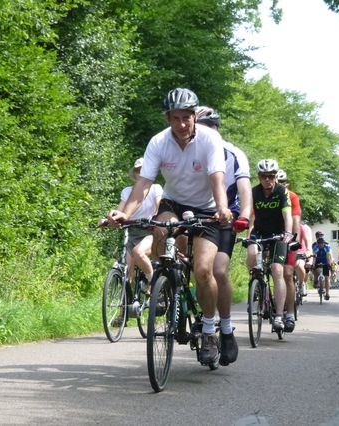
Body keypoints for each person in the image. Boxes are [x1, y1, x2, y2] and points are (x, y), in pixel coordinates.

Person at [107, 88, 232, 365]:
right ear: (168, 118)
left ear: (195, 116)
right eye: (175, 118)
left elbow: (217, 179)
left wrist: (223, 208)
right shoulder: (158, 143)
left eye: (187, 117)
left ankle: (210, 331)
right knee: (160, 230)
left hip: (207, 208)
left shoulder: (210, 138)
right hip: (173, 203)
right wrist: (123, 214)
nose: (182, 124)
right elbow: (142, 186)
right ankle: (167, 285)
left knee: (202, 270)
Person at [196, 106, 252, 366]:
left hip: (224, 217)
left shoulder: (234, 154)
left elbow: (244, 188)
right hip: (194, 214)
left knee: (218, 270)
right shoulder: (191, 151)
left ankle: (226, 330)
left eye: (210, 127)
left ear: (217, 128)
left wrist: (244, 214)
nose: (205, 133)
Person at [246, 159, 294, 332]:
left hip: (279, 233)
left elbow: (288, 215)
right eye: (264, 176)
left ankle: (280, 316)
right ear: (259, 177)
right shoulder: (254, 192)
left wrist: (288, 233)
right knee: (251, 253)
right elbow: (250, 216)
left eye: (271, 176)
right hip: (259, 231)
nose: (268, 179)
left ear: (275, 176)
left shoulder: (282, 191)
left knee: (277, 270)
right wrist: (247, 232)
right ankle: (256, 282)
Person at [99, 158, 162, 286]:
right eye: (138, 171)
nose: (141, 173)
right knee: (128, 272)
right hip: (132, 232)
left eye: (144, 170)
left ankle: (153, 284)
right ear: (134, 173)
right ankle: (125, 303)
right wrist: (108, 220)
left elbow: (159, 207)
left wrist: (156, 219)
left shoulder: (155, 188)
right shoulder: (127, 191)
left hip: (149, 231)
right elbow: (120, 211)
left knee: (139, 253)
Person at [276, 169, 303, 332]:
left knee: (287, 274)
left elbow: (295, 222)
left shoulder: (292, 197)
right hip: (270, 236)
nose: (279, 185)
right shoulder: (268, 195)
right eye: (277, 182)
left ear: (287, 183)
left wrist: (295, 241)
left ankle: (290, 314)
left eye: (282, 182)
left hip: (287, 238)